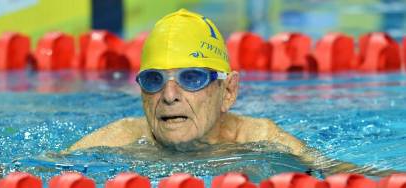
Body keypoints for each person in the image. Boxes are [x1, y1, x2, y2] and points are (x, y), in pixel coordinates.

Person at [69, 9, 390, 176]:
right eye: (154, 80)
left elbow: (340, 172)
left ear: (228, 91)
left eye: (191, 78)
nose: (169, 96)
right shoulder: (118, 141)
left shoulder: (261, 138)